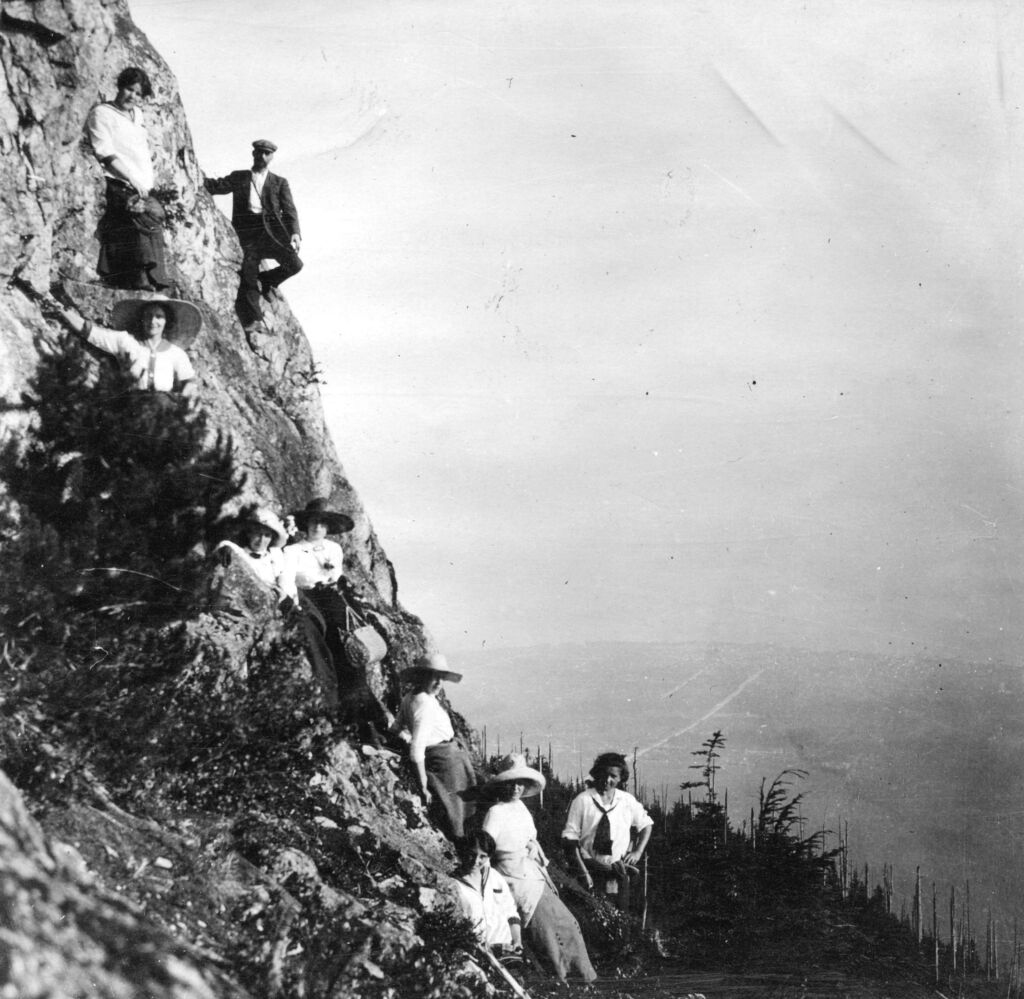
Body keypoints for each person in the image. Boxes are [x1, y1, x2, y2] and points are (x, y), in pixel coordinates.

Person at [481, 755, 597, 983]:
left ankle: (580, 977)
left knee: (567, 923)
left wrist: (533, 846)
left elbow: (530, 836)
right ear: (502, 784)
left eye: (520, 782)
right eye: (511, 782)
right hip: (513, 876)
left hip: (532, 872)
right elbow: (485, 849)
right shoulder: (496, 812)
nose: (516, 788)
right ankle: (563, 979)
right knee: (549, 927)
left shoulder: (521, 808)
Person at [85, 66, 170, 290]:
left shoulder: (137, 115)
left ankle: (156, 278)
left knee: (156, 215)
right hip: (117, 180)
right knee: (136, 213)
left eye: (138, 93)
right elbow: (105, 153)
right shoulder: (102, 113)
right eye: (129, 89)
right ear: (120, 87)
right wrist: (131, 179)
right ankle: (137, 275)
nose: (132, 96)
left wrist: (143, 182)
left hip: (141, 184)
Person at [203, 139, 303, 329]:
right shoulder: (240, 176)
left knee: (295, 264)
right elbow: (217, 186)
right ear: (253, 154)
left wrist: (295, 233)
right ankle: (254, 319)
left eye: (267, 153)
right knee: (249, 272)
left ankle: (267, 280)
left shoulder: (279, 183)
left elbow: (290, 211)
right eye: (259, 153)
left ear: (272, 157)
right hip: (247, 233)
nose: (262, 157)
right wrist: (194, 174)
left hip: (271, 235)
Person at [392, 654, 476, 841]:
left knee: (461, 804)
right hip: (444, 761)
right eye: (433, 677)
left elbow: (396, 728)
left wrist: (408, 737)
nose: (439, 682)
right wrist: (423, 785)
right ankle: (461, 842)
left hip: (447, 756)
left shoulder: (411, 697)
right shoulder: (425, 704)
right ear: (422, 676)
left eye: (441, 677)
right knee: (457, 808)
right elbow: (417, 750)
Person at [45, 295, 199, 396]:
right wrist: (59, 309)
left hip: (164, 412)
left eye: (159, 317)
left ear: (167, 321)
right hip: (132, 405)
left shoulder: (176, 354)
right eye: (149, 316)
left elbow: (190, 382)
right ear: (142, 319)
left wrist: (181, 403)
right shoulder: (125, 341)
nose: (153, 321)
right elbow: (89, 331)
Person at [283, 498, 355, 713]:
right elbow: (288, 580)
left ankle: (356, 709)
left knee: (348, 648)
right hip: (308, 597)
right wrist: (293, 603)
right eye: (313, 522)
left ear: (328, 528)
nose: (317, 527)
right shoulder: (293, 550)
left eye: (322, 524)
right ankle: (329, 704)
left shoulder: (334, 548)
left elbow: (337, 575)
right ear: (306, 525)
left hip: (332, 597)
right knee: (320, 649)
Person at [562, 752, 654, 911]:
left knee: (619, 915)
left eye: (613, 776)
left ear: (620, 778)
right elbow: (570, 838)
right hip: (590, 870)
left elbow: (646, 824)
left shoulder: (626, 801)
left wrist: (638, 852)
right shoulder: (582, 800)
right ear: (597, 773)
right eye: (604, 774)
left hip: (618, 870)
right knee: (592, 915)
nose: (607, 780)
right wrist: (583, 871)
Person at [451, 830, 523, 959]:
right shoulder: (455, 883)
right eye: (472, 854)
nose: (475, 861)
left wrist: (517, 941)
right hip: (478, 953)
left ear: (489, 857)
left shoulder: (494, 877)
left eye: (482, 856)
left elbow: (511, 913)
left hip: (506, 949)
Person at [214, 507, 297, 606]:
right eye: (258, 534)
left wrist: (284, 593)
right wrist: (225, 547)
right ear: (249, 533)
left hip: (271, 603)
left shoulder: (275, 557)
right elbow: (226, 545)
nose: (261, 540)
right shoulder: (240, 553)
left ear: (272, 538)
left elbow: (285, 580)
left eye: (267, 535)